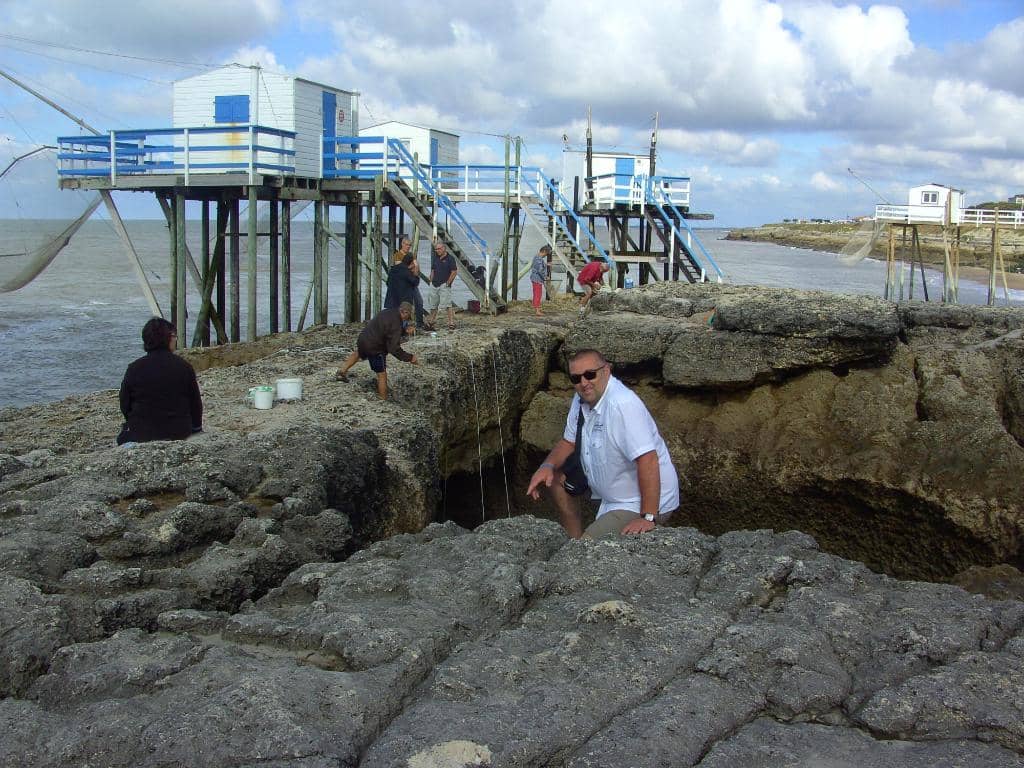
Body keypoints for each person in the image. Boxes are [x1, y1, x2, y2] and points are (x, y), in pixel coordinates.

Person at [526, 349, 678, 539]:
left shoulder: (622, 406)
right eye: (576, 378)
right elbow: (568, 441)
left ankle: (581, 546)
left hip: (636, 502)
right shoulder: (581, 399)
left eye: (590, 374)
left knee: (588, 549)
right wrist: (546, 466)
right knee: (556, 478)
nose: (584, 383)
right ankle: (574, 541)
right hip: (610, 493)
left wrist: (648, 517)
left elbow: (648, 459)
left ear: (606, 370)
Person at [117, 317, 203, 445]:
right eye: (174, 336)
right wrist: (196, 428)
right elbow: (195, 404)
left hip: (142, 432)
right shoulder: (184, 367)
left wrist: (133, 421)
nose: (175, 339)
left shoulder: (134, 368)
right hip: (178, 431)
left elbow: (125, 403)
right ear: (167, 339)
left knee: (122, 438)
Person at [335, 302, 419, 400]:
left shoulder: (388, 312)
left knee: (358, 353)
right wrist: (410, 358)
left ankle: (341, 372)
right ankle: (383, 399)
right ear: (405, 312)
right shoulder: (396, 323)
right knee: (382, 374)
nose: (407, 320)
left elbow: (387, 329)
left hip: (363, 339)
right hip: (375, 348)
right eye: (408, 317)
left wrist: (404, 331)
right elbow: (394, 349)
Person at [384, 252, 427, 331]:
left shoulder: (393, 269)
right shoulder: (407, 272)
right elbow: (415, 282)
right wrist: (416, 271)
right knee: (403, 316)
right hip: (403, 299)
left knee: (393, 317)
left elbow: (387, 282)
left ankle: (391, 329)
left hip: (392, 297)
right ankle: (401, 330)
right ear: (411, 263)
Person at [426, 240, 458, 331]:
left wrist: (448, 283)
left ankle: (451, 323)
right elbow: (433, 269)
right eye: (436, 249)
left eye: (439, 249)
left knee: (448, 304)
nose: (437, 251)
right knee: (433, 305)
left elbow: (454, 271)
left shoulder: (450, 258)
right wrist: (431, 280)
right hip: (434, 284)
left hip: (444, 285)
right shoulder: (436, 257)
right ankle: (431, 321)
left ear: (444, 248)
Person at [530, 245, 550, 317]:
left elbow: (538, 266)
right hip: (537, 279)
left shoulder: (537, 257)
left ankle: (536, 308)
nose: (546, 255)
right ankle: (537, 311)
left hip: (535, 278)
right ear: (544, 251)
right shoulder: (538, 259)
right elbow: (540, 270)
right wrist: (546, 277)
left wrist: (546, 264)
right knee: (538, 294)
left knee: (537, 293)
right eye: (546, 254)